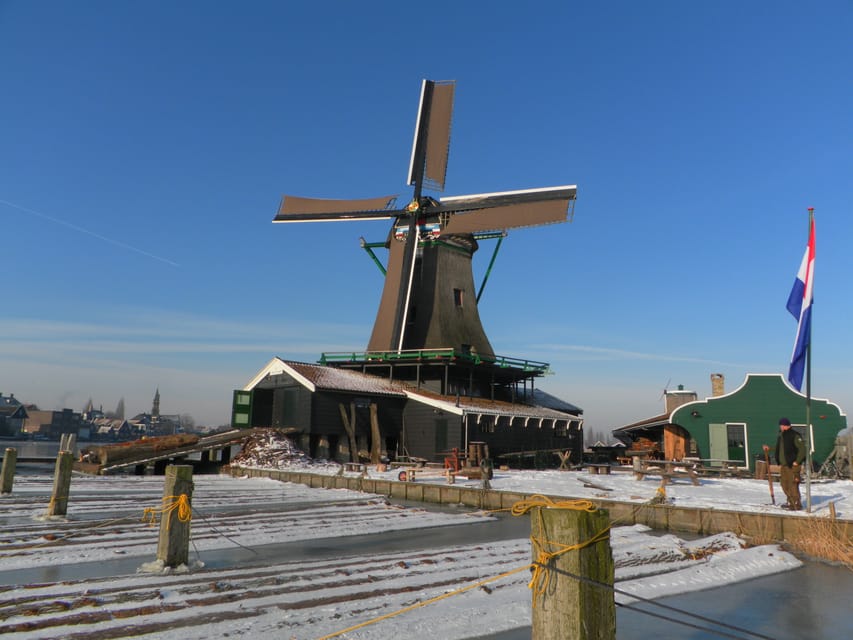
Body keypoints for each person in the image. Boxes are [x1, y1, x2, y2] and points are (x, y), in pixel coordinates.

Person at [774, 417, 805, 510]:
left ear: (784, 425)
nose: (780, 427)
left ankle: (796, 504)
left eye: (781, 425)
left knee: (793, 484)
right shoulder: (782, 436)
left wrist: (797, 461)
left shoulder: (794, 435)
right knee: (784, 484)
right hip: (784, 465)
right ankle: (790, 501)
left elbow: (802, 449)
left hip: (792, 465)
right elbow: (782, 449)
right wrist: (770, 449)